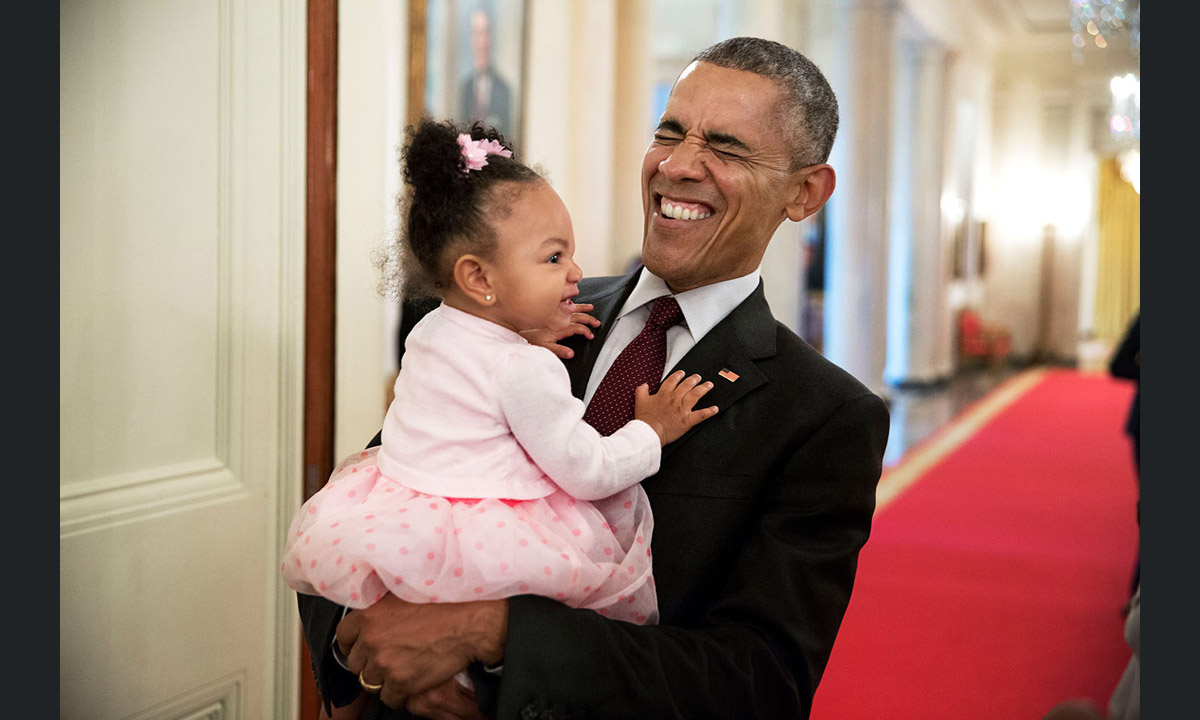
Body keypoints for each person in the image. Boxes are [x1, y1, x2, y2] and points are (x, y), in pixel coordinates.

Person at [299, 37, 891, 719]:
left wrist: (497, 636)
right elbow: (380, 495)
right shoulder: (519, 314)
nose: (677, 164)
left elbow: (760, 684)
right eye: (668, 131)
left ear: (805, 192)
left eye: (725, 147)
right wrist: (356, 659)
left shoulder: (825, 415)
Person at [287, 117, 718, 719]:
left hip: (397, 524)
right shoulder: (526, 367)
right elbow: (589, 471)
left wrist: (526, 329)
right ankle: (460, 689)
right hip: (493, 542)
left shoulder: (433, 331)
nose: (574, 273)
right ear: (479, 277)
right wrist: (653, 430)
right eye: (553, 256)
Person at [459, 7, 513, 138]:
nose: (481, 43)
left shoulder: (504, 89)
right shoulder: (465, 88)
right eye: (476, 34)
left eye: (485, 33)